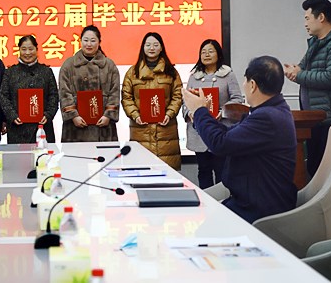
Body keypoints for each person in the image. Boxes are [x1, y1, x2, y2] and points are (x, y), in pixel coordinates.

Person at [182, 56, 297, 223]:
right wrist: (202, 113)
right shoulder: (273, 111)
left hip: (258, 209)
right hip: (251, 200)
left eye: (245, 81)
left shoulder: (267, 117)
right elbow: (228, 135)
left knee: (199, 226)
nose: (244, 85)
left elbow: (220, 144)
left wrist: (199, 111)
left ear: (252, 85)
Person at [284, 0, 331, 177]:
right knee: (314, 169)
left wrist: (299, 74)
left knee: (330, 173)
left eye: (307, 18)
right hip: (314, 118)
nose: (305, 24)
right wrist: (294, 71)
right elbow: (301, 68)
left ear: (321, 17)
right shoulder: (316, 43)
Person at [182, 39, 243, 188]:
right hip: (199, 131)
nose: (206, 55)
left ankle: (223, 200)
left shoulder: (228, 75)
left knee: (221, 170)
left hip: (220, 129)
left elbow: (237, 99)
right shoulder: (194, 76)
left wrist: (222, 112)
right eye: (203, 52)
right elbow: (186, 101)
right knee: (203, 170)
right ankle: (206, 199)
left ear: (218, 54)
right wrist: (190, 113)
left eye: (210, 51)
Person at [121, 32, 183, 169]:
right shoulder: (133, 72)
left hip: (166, 131)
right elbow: (126, 97)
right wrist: (136, 116)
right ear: (143, 47)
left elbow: (178, 96)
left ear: (161, 48)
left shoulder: (171, 72)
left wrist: (169, 114)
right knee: (142, 172)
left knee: (167, 174)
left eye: (155, 45)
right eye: (148, 45)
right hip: (140, 130)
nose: (152, 48)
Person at [59, 25, 119, 142]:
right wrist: (73, 116)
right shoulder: (69, 65)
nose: (89, 44)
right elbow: (64, 92)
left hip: (103, 127)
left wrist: (108, 115)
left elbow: (115, 92)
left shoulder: (109, 65)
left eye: (93, 40)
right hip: (75, 127)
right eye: (85, 40)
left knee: (104, 153)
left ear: (99, 42)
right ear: (80, 41)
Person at [0, 35, 59, 143]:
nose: (27, 53)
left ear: (36, 49)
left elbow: (53, 95)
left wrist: (48, 114)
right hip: (17, 129)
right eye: (24, 49)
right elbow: (4, 96)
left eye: (31, 49)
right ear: (19, 50)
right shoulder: (10, 72)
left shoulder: (46, 72)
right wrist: (12, 115)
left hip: (42, 128)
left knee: (43, 153)